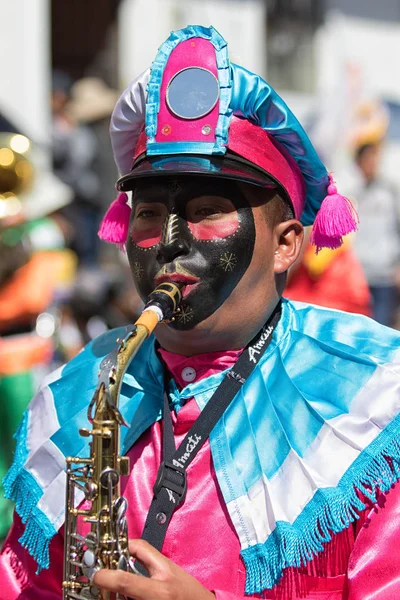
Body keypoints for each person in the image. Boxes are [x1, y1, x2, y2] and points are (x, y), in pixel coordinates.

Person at [1, 25, 400, 600]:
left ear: (287, 243)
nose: (168, 242)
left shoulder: (375, 400)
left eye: (207, 209)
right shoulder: (80, 386)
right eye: (148, 212)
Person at [341, 142, 400, 327]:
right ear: (359, 162)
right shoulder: (349, 194)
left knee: (383, 327)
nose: (373, 163)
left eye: (375, 159)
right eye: (368, 159)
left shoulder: (389, 192)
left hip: (385, 272)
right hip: (358, 273)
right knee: (360, 328)